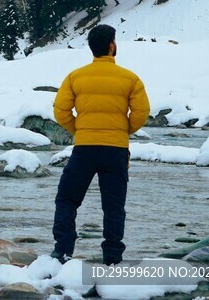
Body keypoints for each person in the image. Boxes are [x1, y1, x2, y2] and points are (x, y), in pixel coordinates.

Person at [50, 24, 149, 265]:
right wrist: (123, 130)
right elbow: (142, 111)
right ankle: (112, 257)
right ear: (112, 46)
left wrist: (80, 130)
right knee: (114, 206)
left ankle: (63, 251)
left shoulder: (76, 76)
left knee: (67, 200)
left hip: (84, 149)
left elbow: (60, 110)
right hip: (115, 151)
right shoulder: (130, 78)